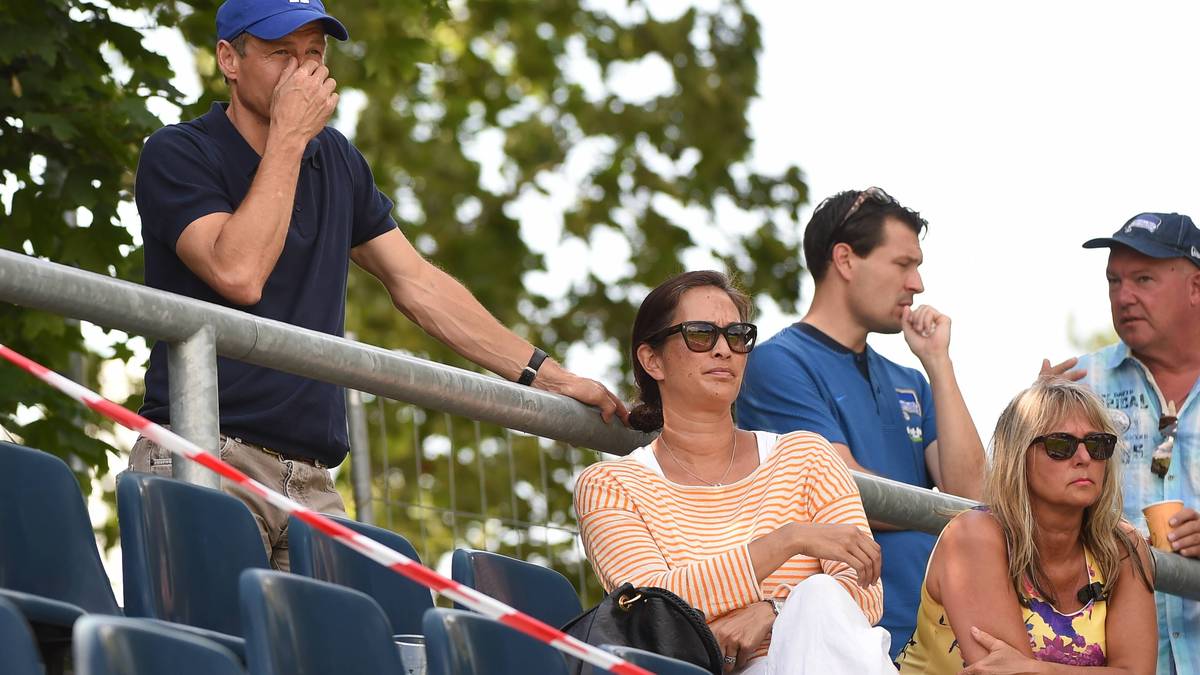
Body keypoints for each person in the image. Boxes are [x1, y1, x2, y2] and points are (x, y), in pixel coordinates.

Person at [128, 0, 627, 570]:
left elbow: (417, 283)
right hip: (201, 450)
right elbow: (239, 273)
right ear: (229, 59)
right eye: (279, 55)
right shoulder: (180, 151)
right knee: (214, 654)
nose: (302, 74)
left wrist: (549, 374)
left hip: (311, 481)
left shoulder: (337, 158)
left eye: (313, 55)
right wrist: (290, 137)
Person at [575, 270, 893, 674]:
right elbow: (653, 609)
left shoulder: (805, 454)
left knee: (820, 596)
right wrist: (790, 540)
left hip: (828, 659)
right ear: (652, 359)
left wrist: (775, 609)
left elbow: (863, 588)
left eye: (737, 335)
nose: (724, 349)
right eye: (701, 334)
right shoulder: (611, 486)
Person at [735, 187, 986, 656]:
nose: (918, 284)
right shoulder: (777, 363)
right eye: (903, 264)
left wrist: (938, 362)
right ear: (846, 260)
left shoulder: (911, 377)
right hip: (852, 638)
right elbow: (844, 495)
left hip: (941, 638)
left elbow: (973, 495)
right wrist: (946, 515)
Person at [896, 379, 1156, 674]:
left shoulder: (1122, 545)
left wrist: (1040, 669)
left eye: (1098, 444)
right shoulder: (974, 535)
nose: (1084, 458)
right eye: (1061, 445)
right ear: (1018, 455)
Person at [1042, 212, 1200, 674]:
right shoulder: (1076, 383)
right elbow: (1015, 508)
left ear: (1196, 287)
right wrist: (1032, 434)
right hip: (1105, 656)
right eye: (1114, 281)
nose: (1124, 296)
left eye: (1144, 279)